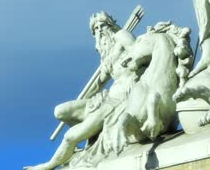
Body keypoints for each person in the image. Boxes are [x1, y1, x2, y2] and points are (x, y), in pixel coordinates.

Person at [24, 12, 137, 170]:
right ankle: (85, 139)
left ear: (110, 25)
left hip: (123, 97)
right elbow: (98, 83)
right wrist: (85, 98)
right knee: (60, 111)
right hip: (107, 97)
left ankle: (50, 165)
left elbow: (138, 51)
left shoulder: (121, 35)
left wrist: (130, 60)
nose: (99, 30)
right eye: (95, 29)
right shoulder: (105, 54)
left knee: (70, 136)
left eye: (102, 25)